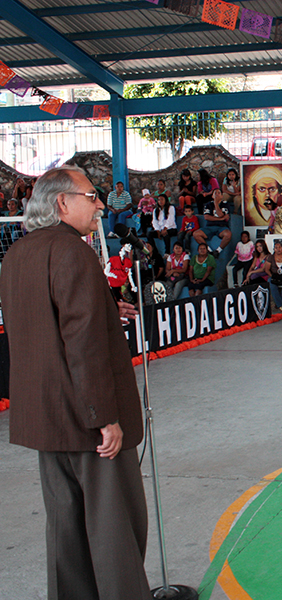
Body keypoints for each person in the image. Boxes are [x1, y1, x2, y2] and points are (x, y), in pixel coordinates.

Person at [0, 166, 153, 600]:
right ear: (62, 203)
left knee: (65, 530)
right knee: (115, 531)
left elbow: (43, 322)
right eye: (91, 195)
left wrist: (106, 308)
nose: (101, 204)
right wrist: (104, 418)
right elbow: (82, 344)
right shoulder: (74, 253)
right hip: (87, 422)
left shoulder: (17, 254)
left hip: (45, 418)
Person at [195, 188, 232, 257]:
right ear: (212, 196)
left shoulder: (225, 204)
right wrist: (221, 219)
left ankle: (218, 250)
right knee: (196, 234)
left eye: (219, 193)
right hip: (209, 227)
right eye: (215, 193)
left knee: (228, 234)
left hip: (222, 227)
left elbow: (220, 214)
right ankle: (209, 250)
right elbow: (206, 217)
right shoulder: (208, 205)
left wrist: (216, 203)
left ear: (222, 196)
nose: (217, 195)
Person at [266, 241, 282, 312]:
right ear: (274, 249)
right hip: (273, 275)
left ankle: (280, 304)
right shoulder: (270, 257)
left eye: (280, 247)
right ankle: (280, 304)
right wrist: (272, 276)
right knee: (272, 285)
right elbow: (266, 269)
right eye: (276, 248)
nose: (278, 249)